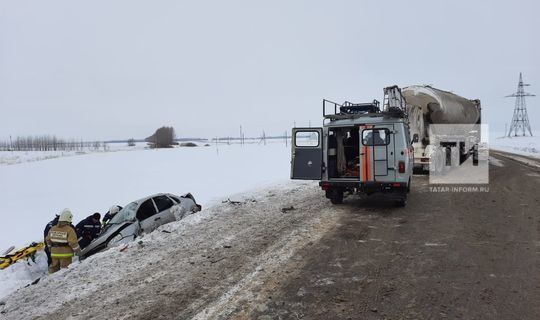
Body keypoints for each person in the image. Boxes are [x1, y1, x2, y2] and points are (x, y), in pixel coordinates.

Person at [45, 209, 81, 274]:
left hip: (54, 253)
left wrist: (50, 249)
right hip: (65, 254)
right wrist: (78, 252)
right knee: (65, 271)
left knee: (53, 268)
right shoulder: (69, 229)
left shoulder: (52, 228)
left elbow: (48, 240)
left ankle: (51, 280)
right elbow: (73, 242)